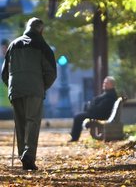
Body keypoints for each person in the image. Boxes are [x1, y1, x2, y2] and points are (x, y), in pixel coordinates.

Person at [1, 17, 57, 170]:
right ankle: (29, 156)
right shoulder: (43, 46)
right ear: (41, 30)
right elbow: (51, 72)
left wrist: (12, 85)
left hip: (16, 90)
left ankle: (23, 156)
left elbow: (4, 73)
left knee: (20, 123)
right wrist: (42, 86)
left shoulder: (13, 45)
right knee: (32, 122)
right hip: (34, 90)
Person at [69, 76, 118, 142]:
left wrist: (90, 107)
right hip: (99, 113)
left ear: (112, 85)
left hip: (101, 115)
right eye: (104, 82)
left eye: (106, 83)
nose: (104, 84)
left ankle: (74, 137)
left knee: (78, 117)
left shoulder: (110, 95)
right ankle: (74, 136)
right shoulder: (108, 93)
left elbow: (101, 108)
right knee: (79, 116)